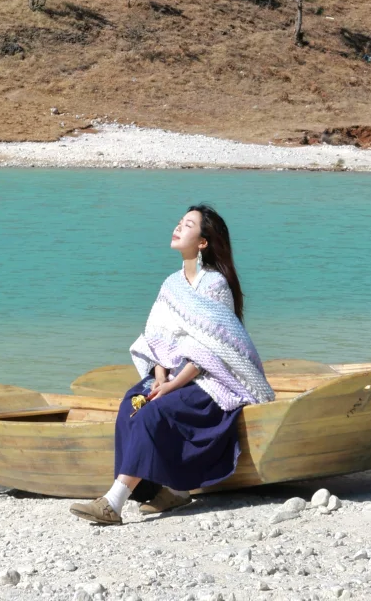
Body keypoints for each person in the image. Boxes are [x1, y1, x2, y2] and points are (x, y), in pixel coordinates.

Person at [70, 204, 274, 525]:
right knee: (130, 405)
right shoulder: (171, 285)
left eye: (188, 224)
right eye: (179, 222)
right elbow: (156, 339)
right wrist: (159, 378)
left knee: (154, 412)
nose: (178, 227)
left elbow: (211, 348)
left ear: (203, 242)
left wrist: (172, 386)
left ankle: (113, 502)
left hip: (208, 380)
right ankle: (166, 491)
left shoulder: (216, 286)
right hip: (173, 376)